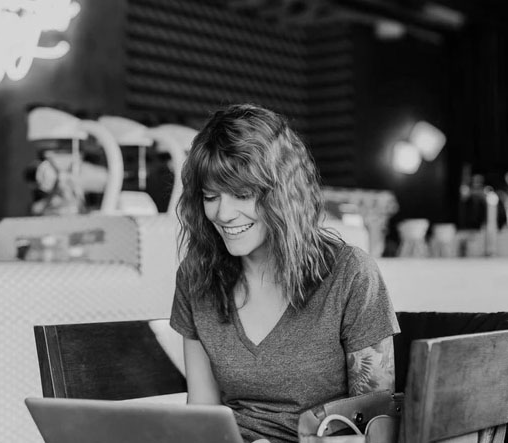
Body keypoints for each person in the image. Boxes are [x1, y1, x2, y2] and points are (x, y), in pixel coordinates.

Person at [170, 103, 400, 443]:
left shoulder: (350, 274)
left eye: (242, 195)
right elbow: (202, 414)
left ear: (283, 193)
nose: (223, 214)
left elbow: (378, 426)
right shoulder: (197, 276)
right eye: (210, 196)